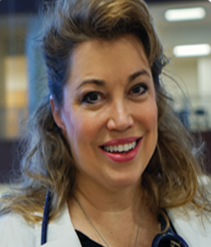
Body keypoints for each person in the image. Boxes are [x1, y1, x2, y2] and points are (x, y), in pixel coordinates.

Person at [0, 0, 211, 246]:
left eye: (137, 89)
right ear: (58, 113)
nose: (121, 120)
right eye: (93, 97)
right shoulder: (12, 235)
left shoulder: (203, 212)